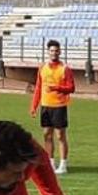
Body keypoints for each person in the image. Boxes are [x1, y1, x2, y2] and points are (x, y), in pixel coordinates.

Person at [30, 40, 75, 175]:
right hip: (45, 106)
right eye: (51, 51)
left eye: (56, 51)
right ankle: (50, 162)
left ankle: (63, 164)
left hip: (59, 106)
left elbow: (71, 88)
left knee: (60, 135)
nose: (54, 53)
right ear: (48, 52)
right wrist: (34, 105)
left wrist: (56, 88)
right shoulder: (42, 68)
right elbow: (38, 87)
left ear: (60, 52)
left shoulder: (65, 69)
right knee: (46, 135)